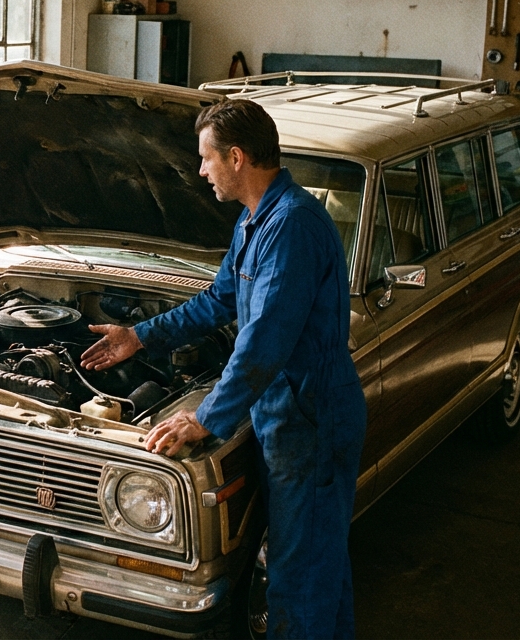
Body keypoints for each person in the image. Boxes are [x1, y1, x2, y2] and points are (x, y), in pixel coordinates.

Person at [80, 99, 366, 640]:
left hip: (312, 419)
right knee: (318, 563)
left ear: (236, 157)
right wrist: (139, 336)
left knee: (299, 575)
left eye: (207, 158)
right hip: (283, 414)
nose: (200, 170)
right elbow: (217, 303)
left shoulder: (292, 226)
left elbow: (264, 343)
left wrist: (205, 417)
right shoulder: (254, 222)